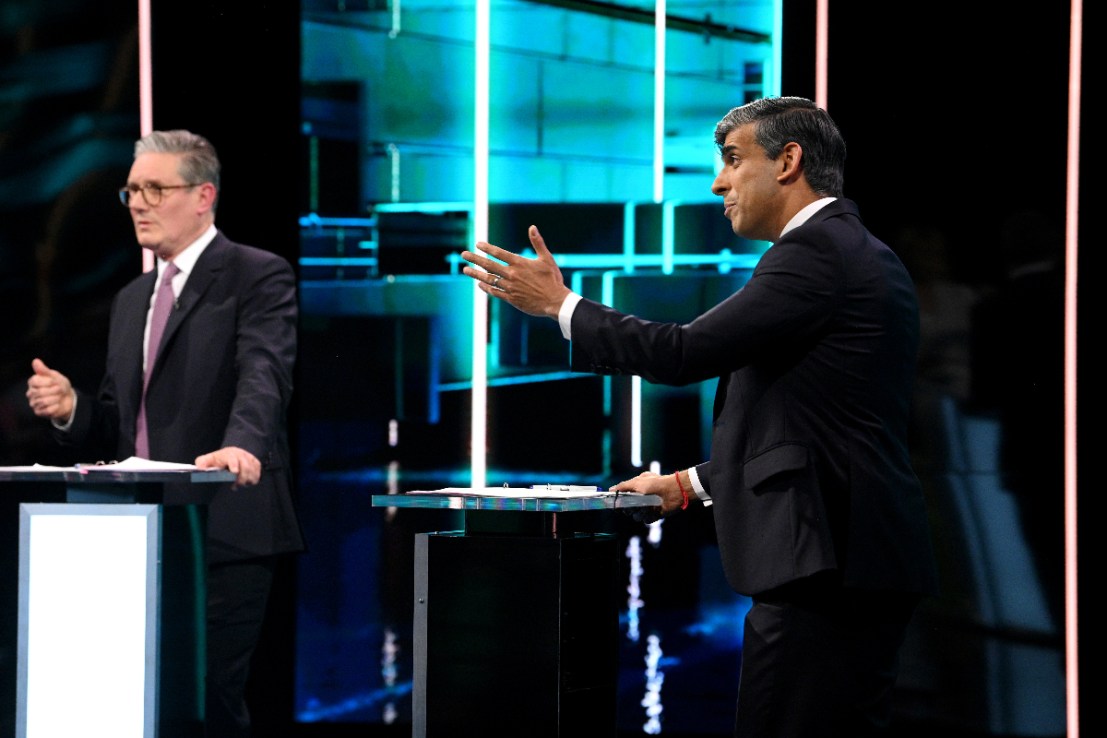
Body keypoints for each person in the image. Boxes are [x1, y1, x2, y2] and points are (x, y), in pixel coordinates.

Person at [460, 96, 939, 737]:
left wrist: (562, 305)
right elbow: (812, 427)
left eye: (734, 161)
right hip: (846, 559)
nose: (718, 182)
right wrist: (688, 484)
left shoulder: (818, 253)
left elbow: (683, 353)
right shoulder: (848, 251)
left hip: (827, 565)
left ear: (790, 161)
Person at [25, 129, 304, 737]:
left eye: (156, 188)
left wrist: (243, 444)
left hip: (221, 527)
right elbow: (118, 428)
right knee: (136, 701)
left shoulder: (255, 275)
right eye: (132, 191)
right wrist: (73, 408)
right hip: (132, 536)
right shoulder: (131, 298)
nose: (140, 204)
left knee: (203, 702)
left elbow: (265, 371)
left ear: (204, 195)